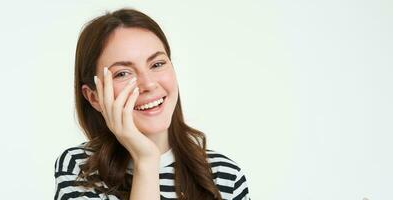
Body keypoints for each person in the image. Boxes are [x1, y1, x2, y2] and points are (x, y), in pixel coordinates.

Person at [54, 8, 250, 200]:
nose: (148, 84)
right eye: (123, 73)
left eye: (157, 64)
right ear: (94, 97)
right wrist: (146, 161)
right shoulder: (79, 168)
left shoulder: (225, 176)